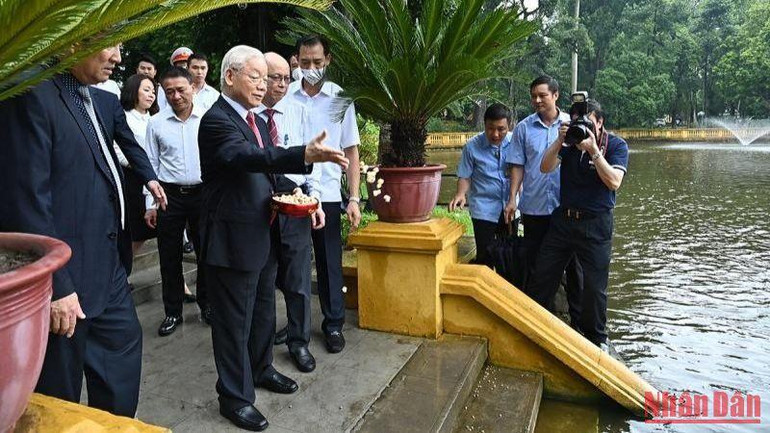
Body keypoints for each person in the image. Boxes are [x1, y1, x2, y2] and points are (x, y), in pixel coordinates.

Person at [0, 45, 167, 417]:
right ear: (78, 39)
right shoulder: (29, 92)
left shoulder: (91, 96)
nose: (119, 59)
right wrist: (57, 284)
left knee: (123, 358)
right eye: (112, 45)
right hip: (65, 282)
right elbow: (25, 200)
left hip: (108, 267)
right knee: (60, 396)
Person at [198, 45, 348, 431]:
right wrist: (305, 155)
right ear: (230, 77)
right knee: (233, 323)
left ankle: (262, 368)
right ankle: (234, 396)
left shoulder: (257, 120)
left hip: (262, 235)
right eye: (256, 77)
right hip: (231, 241)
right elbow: (247, 157)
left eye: (267, 78)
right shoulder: (217, 121)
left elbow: (271, 175)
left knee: (264, 311)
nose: (264, 86)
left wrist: (308, 199)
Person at [530, 98, 629, 349]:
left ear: (600, 123)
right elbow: (545, 167)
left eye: (588, 123)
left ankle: (596, 339)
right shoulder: (570, 142)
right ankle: (533, 324)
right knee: (542, 274)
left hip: (596, 224)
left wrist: (594, 151)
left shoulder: (616, 145)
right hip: (564, 220)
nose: (581, 128)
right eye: (576, 122)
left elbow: (614, 182)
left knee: (594, 288)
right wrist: (559, 141)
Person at [286, 34, 361, 354]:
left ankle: (333, 324)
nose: (311, 69)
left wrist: (354, 198)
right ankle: (295, 327)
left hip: (328, 192)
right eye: (305, 63)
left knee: (330, 262)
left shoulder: (340, 99)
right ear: (297, 61)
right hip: (293, 192)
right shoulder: (286, 96)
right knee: (292, 264)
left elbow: (352, 151)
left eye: (317, 63)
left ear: (328, 60)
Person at [255, 52, 324, 373]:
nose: (282, 84)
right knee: (264, 283)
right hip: (257, 211)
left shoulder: (298, 111)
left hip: (295, 205)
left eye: (286, 77)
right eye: (274, 77)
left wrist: (316, 200)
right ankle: (261, 352)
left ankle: (299, 343)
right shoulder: (248, 115)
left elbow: (314, 161)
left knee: (297, 282)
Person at [504, 75, 583, 326]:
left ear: (556, 95)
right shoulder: (525, 128)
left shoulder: (574, 125)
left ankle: (579, 322)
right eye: (534, 96)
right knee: (537, 264)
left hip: (567, 207)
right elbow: (517, 165)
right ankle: (541, 320)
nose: (537, 100)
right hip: (535, 207)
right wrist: (512, 199)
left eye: (542, 95)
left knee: (574, 266)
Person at [144, 66, 209, 335]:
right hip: (168, 196)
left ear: (193, 87)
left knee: (206, 252)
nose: (176, 96)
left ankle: (208, 306)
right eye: (169, 91)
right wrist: (150, 203)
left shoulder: (207, 118)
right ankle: (173, 311)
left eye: (181, 89)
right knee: (168, 256)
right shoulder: (156, 123)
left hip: (203, 194)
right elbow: (150, 164)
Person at [449, 103, 514, 268]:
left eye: (501, 129)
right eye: (490, 128)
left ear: (509, 126)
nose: (495, 134)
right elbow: (465, 175)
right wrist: (460, 194)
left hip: (510, 206)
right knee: (485, 254)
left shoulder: (516, 142)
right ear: (484, 125)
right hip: (484, 209)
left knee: (508, 255)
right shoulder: (472, 146)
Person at [119, 74, 159, 257]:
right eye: (146, 90)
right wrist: (139, 165)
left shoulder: (156, 119)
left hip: (157, 179)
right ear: (134, 91)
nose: (151, 95)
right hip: (133, 180)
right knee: (138, 232)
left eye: (153, 91)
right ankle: (122, 273)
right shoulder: (123, 117)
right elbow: (117, 149)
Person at [157, 46, 194, 111]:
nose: (184, 69)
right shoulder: (165, 88)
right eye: (181, 66)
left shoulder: (211, 93)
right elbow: (161, 110)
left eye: (186, 66)